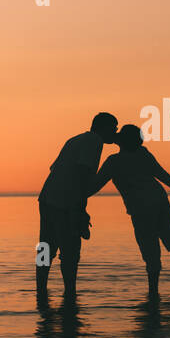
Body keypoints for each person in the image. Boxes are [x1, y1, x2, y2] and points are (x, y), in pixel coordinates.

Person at [88, 124, 170, 298]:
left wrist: (75, 194)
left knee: (150, 250)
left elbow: (94, 186)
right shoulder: (143, 153)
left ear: (122, 140)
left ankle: (153, 292)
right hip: (159, 201)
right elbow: (161, 173)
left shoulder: (113, 162)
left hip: (141, 209)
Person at [37, 112, 118, 301]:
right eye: (113, 128)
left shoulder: (75, 139)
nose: (115, 132)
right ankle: (70, 293)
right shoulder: (94, 142)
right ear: (103, 128)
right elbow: (83, 174)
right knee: (70, 250)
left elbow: (54, 168)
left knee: (45, 247)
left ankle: (40, 290)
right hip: (65, 202)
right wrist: (80, 208)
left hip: (47, 197)